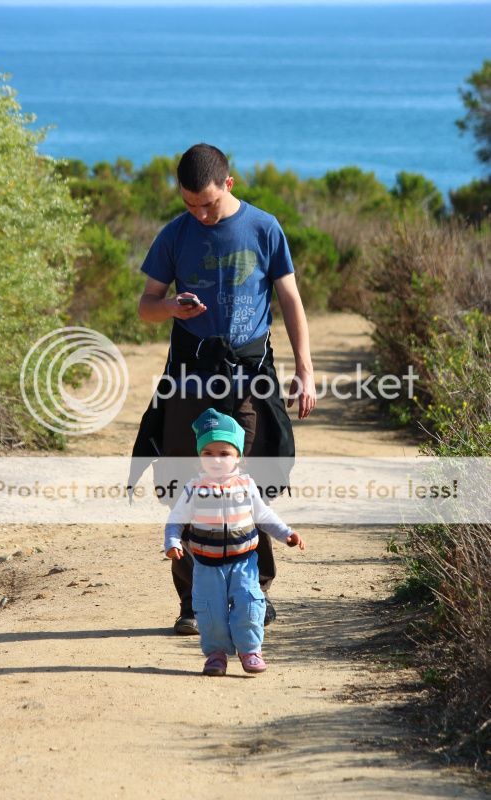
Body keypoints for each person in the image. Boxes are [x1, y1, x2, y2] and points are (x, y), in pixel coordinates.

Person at [133, 143, 315, 634]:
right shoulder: (175, 234)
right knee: (188, 482)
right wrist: (170, 307)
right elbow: (146, 305)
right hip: (190, 374)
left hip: (249, 375)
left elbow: (290, 299)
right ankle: (192, 604)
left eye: (208, 203)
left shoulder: (264, 228)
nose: (200, 214)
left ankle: (255, 593)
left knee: (244, 480)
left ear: (228, 185)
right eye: (190, 204)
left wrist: (305, 367)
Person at [165, 408, 305, 676]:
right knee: (211, 612)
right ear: (199, 456)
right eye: (208, 453)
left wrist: (286, 533)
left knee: (249, 604)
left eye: (224, 453)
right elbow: (176, 520)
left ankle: (250, 650)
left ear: (238, 456)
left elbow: (264, 516)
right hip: (207, 566)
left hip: (244, 563)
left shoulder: (246, 486)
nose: (216, 460)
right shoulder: (193, 489)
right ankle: (216, 654)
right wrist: (172, 542)